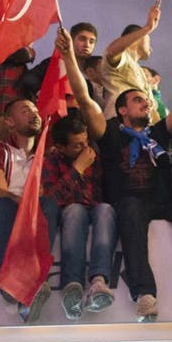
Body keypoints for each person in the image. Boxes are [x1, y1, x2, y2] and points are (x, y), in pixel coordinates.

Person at [58, 28, 172, 323]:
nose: (146, 102)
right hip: (130, 202)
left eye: (146, 99)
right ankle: (144, 295)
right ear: (121, 109)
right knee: (129, 210)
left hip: (163, 201)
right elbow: (82, 97)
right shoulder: (107, 133)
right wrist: (69, 55)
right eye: (137, 100)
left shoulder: (158, 132)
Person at [0, 98, 59, 322]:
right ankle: (11, 278)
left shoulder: (47, 157)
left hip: (32, 214)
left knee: (49, 205)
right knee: (3, 205)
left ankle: (33, 281)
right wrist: (26, 203)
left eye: (36, 111)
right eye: (25, 111)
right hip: (1, 210)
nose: (35, 115)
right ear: (9, 122)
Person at [41, 113, 116, 320]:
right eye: (76, 145)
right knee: (75, 211)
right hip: (70, 213)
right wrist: (77, 169)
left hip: (96, 208)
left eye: (85, 142)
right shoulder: (51, 161)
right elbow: (51, 200)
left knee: (106, 209)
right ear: (60, 147)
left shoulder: (96, 157)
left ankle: (99, 281)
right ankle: (71, 287)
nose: (84, 149)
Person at [100, 4, 161, 123]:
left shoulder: (140, 71)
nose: (151, 48)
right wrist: (147, 29)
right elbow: (111, 52)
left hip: (143, 132)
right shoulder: (123, 58)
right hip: (121, 128)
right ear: (139, 38)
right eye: (149, 40)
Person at [23, 21, 101, 104]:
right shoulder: (56, 63)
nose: (87, 45)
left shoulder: (97, 68)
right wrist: (47, 96)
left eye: (91, 41)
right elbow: (28, 79)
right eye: (82, 39)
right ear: (71, 40)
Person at [0, 45, 35, 139]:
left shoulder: (14, 61)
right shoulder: (2, 49)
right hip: (1, 114)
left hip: (6, 115)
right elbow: (27, 54)